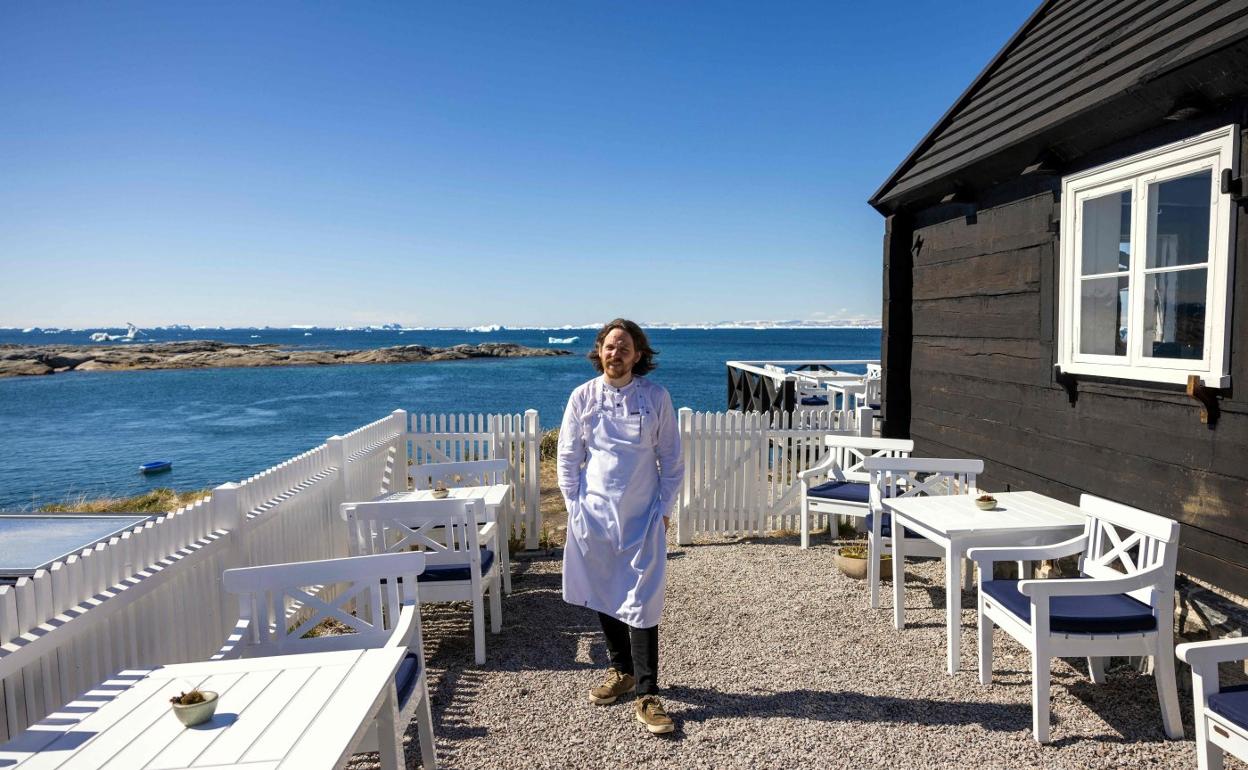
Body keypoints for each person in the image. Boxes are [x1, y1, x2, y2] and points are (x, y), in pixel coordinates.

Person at [557, 318, 684, 735]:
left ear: (638, 355)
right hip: (593, 514)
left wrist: (663, 510)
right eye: (610, 346)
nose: (616, 353)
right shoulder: (583, 397)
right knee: (604, 589)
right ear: (600, 351)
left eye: (625, 347)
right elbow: (568, 457)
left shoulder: (656, 397)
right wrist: (574, 506)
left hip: (642, 515)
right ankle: (622, 672)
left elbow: (672, 460)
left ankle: (648, 693)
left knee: (642, 598)